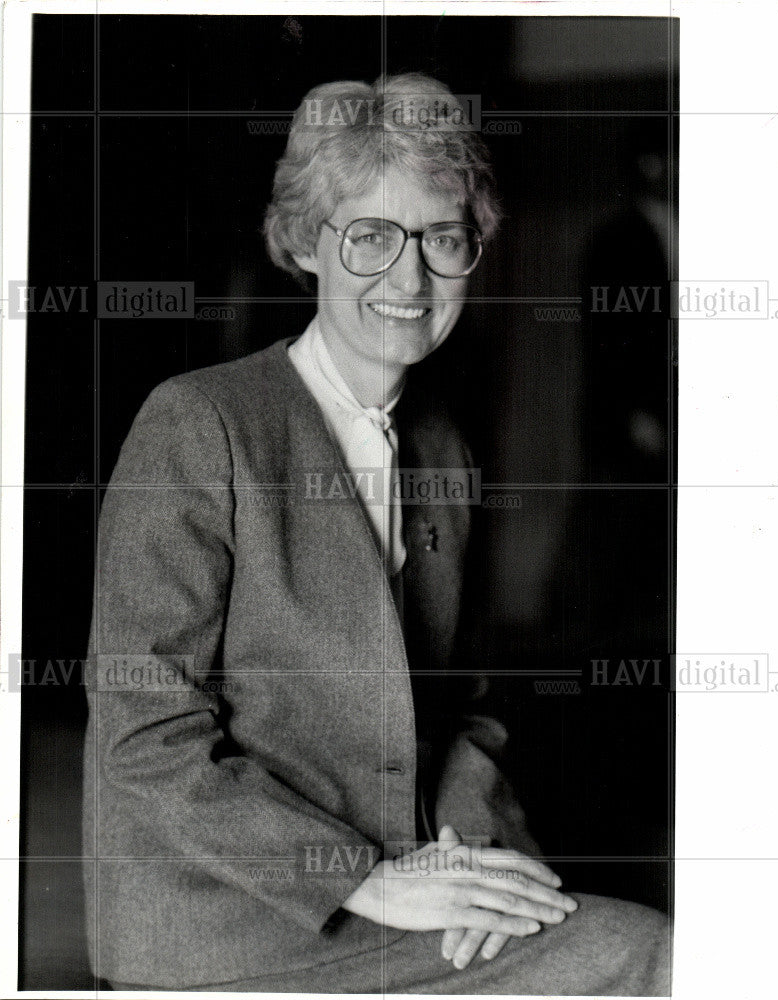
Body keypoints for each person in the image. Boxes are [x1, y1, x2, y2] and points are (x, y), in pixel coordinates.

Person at [83, 73, 671, 994]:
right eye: (370, 236)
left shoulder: (442, 451)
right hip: (229, 924)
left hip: (405, 894)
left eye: (443, 238)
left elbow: (470, 714)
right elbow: (145, 736)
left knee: (655, 948)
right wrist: (364, 877)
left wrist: (472, 865)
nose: (409, 278)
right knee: (647, 953)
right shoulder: (199, 422)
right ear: (306, 245)